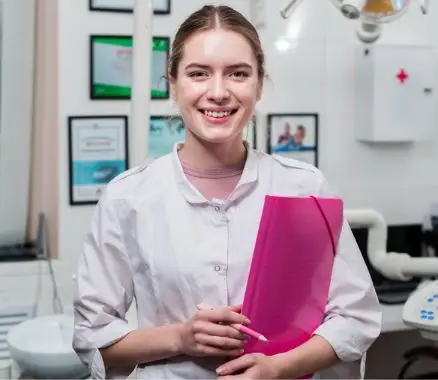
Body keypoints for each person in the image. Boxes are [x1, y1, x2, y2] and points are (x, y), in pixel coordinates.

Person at [73, 5, 382, 379]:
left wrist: (279, 368)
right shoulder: (128, 197)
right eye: (198, 74)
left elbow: (355, 315)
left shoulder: (304, 187)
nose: (218, 92)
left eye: (237, 74)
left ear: (259, 84)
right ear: (173, 84)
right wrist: (180, 338)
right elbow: (92, 335)